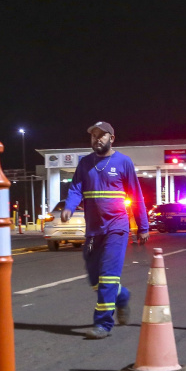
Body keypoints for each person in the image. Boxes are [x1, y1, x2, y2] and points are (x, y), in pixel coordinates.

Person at [61, 121, 149, 339]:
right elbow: (75, 189)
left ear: (112, 138)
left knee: (108, 278)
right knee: (95, 278)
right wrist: (69, 207)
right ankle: (122, 296)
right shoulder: (85, 163)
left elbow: (136, 195)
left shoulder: (123, 162)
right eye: (94, 135)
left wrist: (143, 226)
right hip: (93, 230)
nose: (97, 139)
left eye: (102, 135)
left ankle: (103, 324)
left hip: (116, 228)